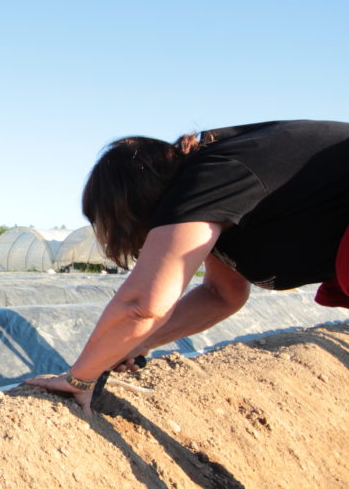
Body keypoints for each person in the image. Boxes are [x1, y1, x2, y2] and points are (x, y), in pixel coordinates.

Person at [27, 120, 349, 415]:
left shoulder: (207, 178)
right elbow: (221, 294)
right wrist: (138, 342)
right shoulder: (219, 200)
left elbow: (143, 305)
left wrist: (79, 377)